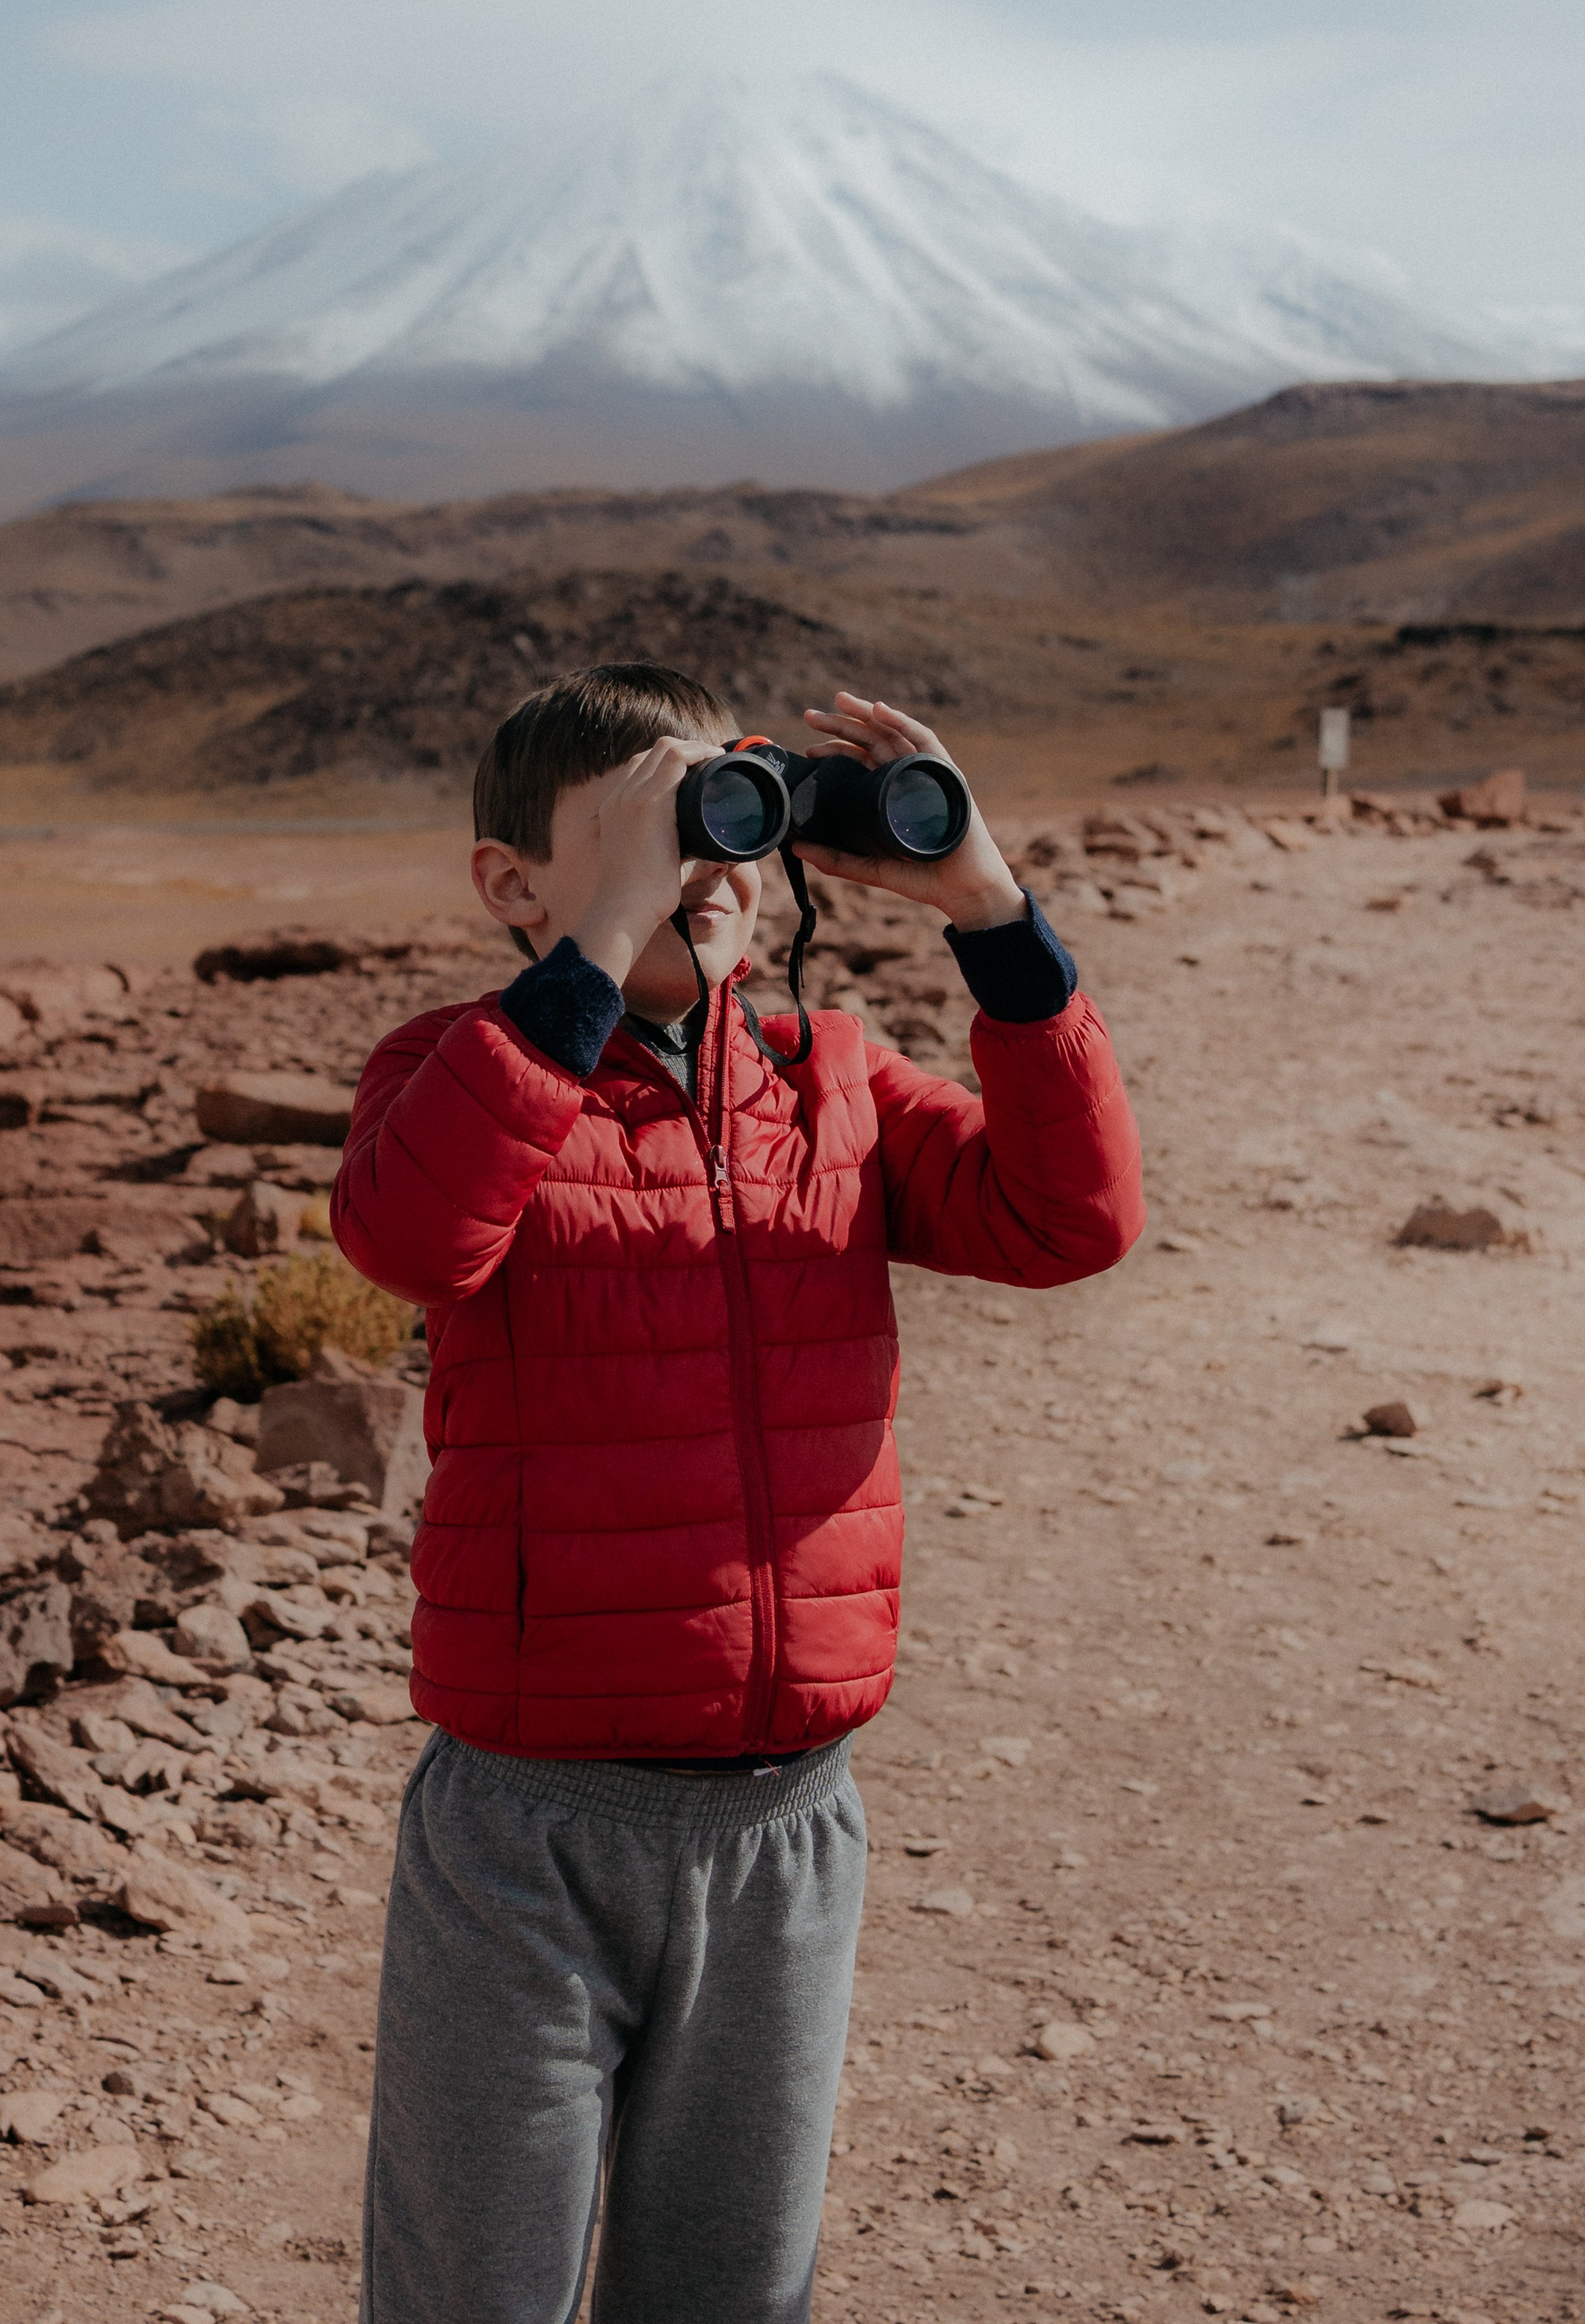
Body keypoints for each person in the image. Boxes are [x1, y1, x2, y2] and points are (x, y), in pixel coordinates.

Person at [332, 662, 1143, 2324]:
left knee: (726, 2293)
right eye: (655, 826)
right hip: (528, 1832)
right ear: (511, 884)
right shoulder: (451, 1074)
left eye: (733, 828)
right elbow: (417, 1239)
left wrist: (983, 903)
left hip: (786, 1827)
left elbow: (1072, 1220)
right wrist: (584, 953)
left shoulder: (831, 1084)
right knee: (470, 2289)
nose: (708, 868)